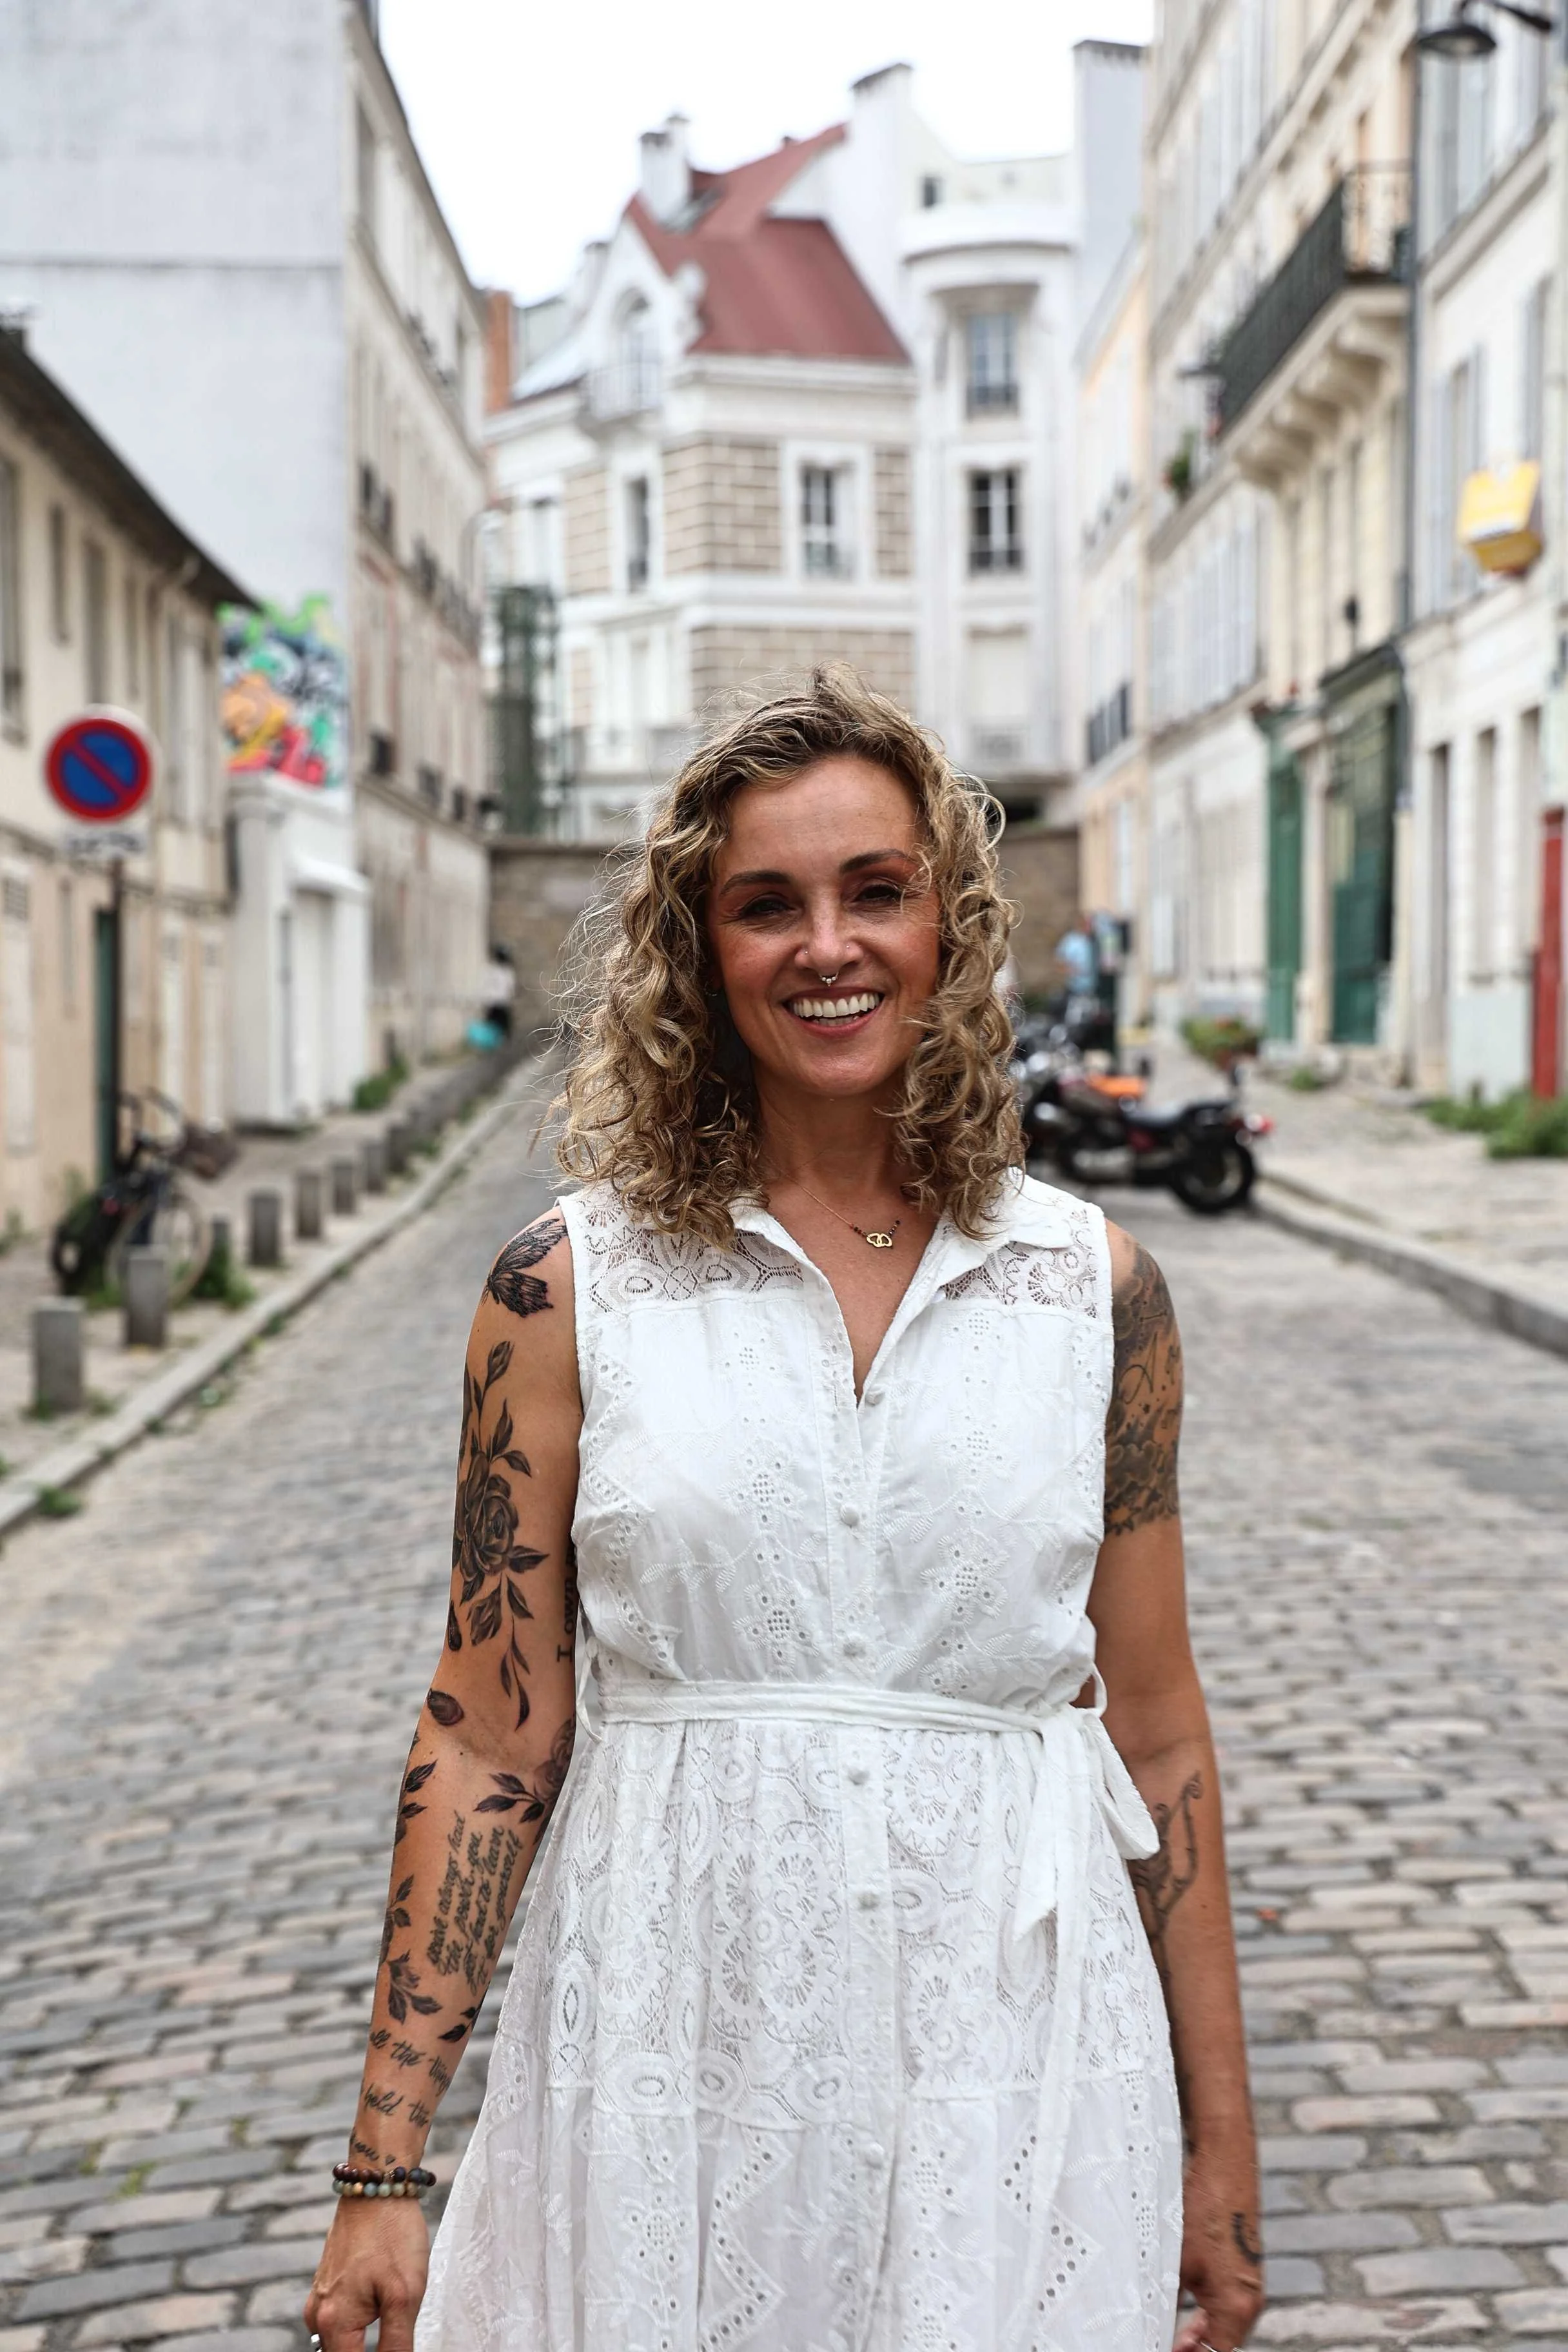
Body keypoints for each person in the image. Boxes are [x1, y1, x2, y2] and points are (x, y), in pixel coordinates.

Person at [306, 670, 1261, 2352]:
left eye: (874, 892)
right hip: (672, 2039)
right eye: (768, 905)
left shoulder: (1095, 1293)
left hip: (1020, 2054)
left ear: (949, 924)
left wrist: (1222, 2157)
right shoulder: (568, 1288)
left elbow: (1164, 1740)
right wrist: (383, 2166)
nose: (829, 946)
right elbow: (486, 1736)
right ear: (700, 949)